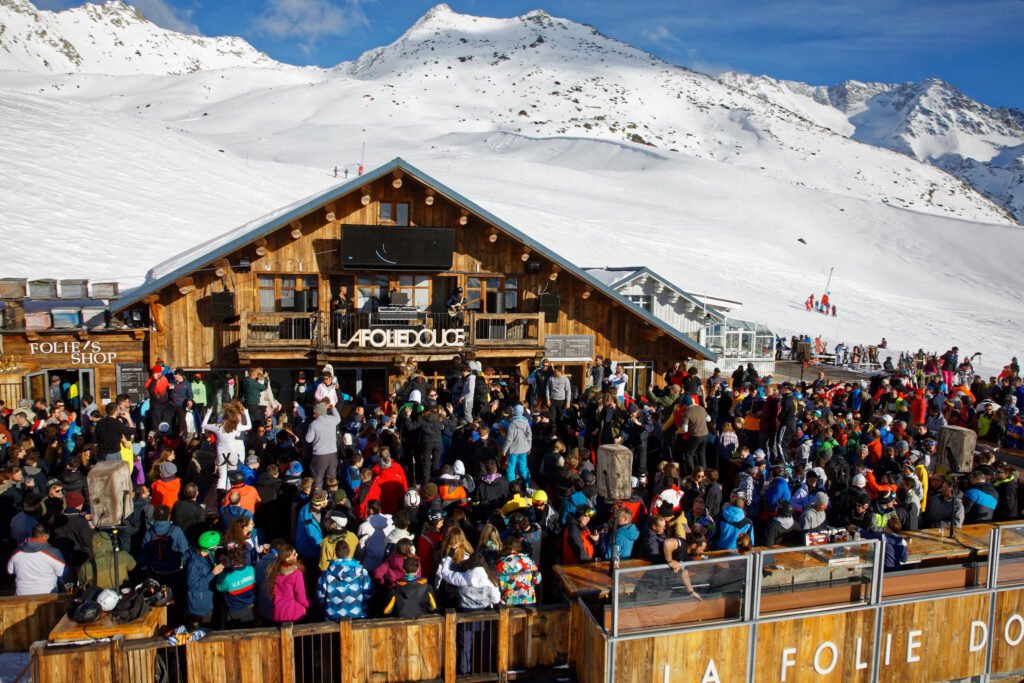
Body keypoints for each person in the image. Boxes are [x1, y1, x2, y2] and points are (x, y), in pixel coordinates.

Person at [318, 539, 373, 620]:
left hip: (333, 618)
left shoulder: (326, 573)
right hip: (358, 616)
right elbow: (369, 594)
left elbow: (320, 596)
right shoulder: (362, 572)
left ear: (336, 553)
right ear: (349, 552)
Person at [7, 524, 65, 595]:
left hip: (21, 595)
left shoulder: (16, 552)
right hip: (47, 596)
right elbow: (60, 573)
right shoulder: (54, 553)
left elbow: (10, 571)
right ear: (46, 536)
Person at [185, 530, 224, 624]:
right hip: (200, 605)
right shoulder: (193, 564)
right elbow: (193, 586)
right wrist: (213, 573)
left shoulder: (208, 553)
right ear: (210, 548)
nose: (218, 546)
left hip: (208, 598)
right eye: (216, 545)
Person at [217, 545, 257, 627]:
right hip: (250, 609)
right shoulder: (251, 569)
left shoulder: (227, 577)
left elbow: (219, 587)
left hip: (234, 612)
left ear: (231, 561)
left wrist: (220, 574)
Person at [305, 401, 341, 492]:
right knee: (331, 478)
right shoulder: (332, 420)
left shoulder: (314, 424)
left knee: (318, 479)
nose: (313, 415)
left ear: (318, 413)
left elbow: (308, 439)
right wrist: (333, 407)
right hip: (333, 455)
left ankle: (318, 499)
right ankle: (333, 497)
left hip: (319, 456)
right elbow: (338, 418)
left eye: (315, 413)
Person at [267, 544, 308, 624]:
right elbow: (300, 594)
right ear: (287, 558)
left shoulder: (274, 571)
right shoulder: (297, 573)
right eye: (294, 554)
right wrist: (306, 605)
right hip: (294, 613)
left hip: (278, 613)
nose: (297, 555)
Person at [495, 536, 542, 605]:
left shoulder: (501, 564)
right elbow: (537, 581)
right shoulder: (529, 561)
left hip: (510, 602)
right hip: (528, 601)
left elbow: (497, 585)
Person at [503, 405, 533, 485]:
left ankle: (512, 486)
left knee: (511, 467)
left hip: (513, 449)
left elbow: (509, 439)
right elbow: (529, 436)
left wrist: (504, 450)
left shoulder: (512, 424)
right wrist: (529, 446)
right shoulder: (526, 422)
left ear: (514, 413)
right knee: (523, 467)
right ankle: (527, 485)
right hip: (524, 448)